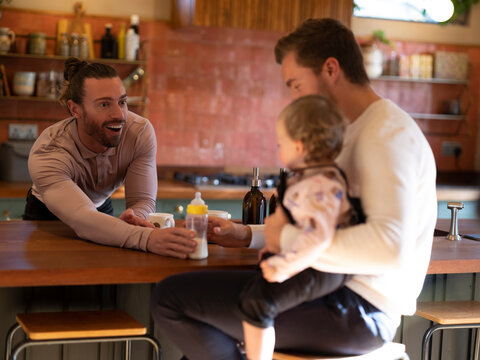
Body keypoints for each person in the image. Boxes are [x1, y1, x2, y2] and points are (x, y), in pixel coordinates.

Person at [151, 18, 437, 359]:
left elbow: (390, 248)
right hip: (337, 294)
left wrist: (283, 239)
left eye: (296, 84)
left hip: (359, 309)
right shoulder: (353, 131)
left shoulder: (386, 136)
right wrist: (248, 235)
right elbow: (327, 225)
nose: (294, 97)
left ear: (331, 69)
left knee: (172, 299)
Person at [24, 57, 196, 258]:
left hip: (100, 207)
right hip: (48, 216)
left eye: (122, 102)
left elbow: (142, 200)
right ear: (75, 109)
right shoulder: (49, 150)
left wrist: (136, 220)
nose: (119, 115)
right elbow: (82, 218)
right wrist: (146, 238)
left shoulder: (138, 133)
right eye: (104, 104)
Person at [239, 94, 361, 360]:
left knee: (256, 303)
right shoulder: (311, 179)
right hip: (307, 261)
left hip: (321, 268)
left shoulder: (321, 186)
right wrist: (273, 249)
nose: (279, 149)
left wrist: (285, 265)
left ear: (298, 146)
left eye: (280, 143)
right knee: (251, 293)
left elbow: (317, 237)